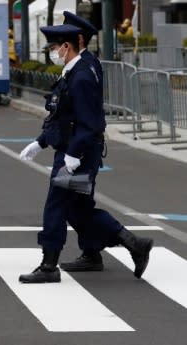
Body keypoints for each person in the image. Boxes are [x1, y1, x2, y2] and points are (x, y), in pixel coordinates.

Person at [18, 23, 152, 283]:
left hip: (76, 156)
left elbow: (89, 123)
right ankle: (121, 247)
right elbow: (63, 116)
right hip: (79, 153)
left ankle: (48, 266)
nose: (52, 53)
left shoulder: (80, 76)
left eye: (55, 48)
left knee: (56, 205)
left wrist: (72, 156)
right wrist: (41, 142)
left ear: (67, 46)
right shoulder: (79, 68)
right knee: (78, 208)